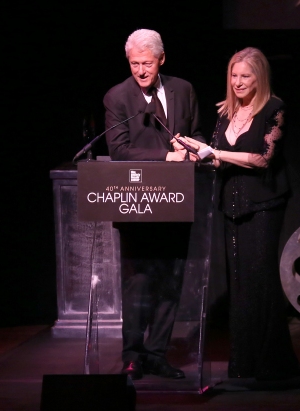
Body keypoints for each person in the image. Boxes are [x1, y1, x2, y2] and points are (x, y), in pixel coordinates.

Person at [184, 47, 300, 381]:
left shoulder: (273, 108)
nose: (238, 82)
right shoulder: (225, 113)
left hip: (263, 205)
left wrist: (215, 151)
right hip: (231, 206)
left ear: (259, 77)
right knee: (239, 284)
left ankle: (273, 367)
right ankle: (244, 365)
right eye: (234, 75)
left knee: (260, 281)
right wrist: (197, 152)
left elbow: (263, 158)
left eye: (245, 76)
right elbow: (220, 160)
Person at [102, 28, 204, 380]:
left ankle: (158, 353)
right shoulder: (117, 97)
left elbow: (198, 132)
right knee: (139, 282)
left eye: (147, 63)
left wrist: (192, 147)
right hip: (137, 203)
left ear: (161, 59)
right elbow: (119, 150)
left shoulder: (184, 89)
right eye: (134, 64)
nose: (141, 71)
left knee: (170, 280)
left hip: (177, 200)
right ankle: (132, 355)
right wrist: (166, 156)